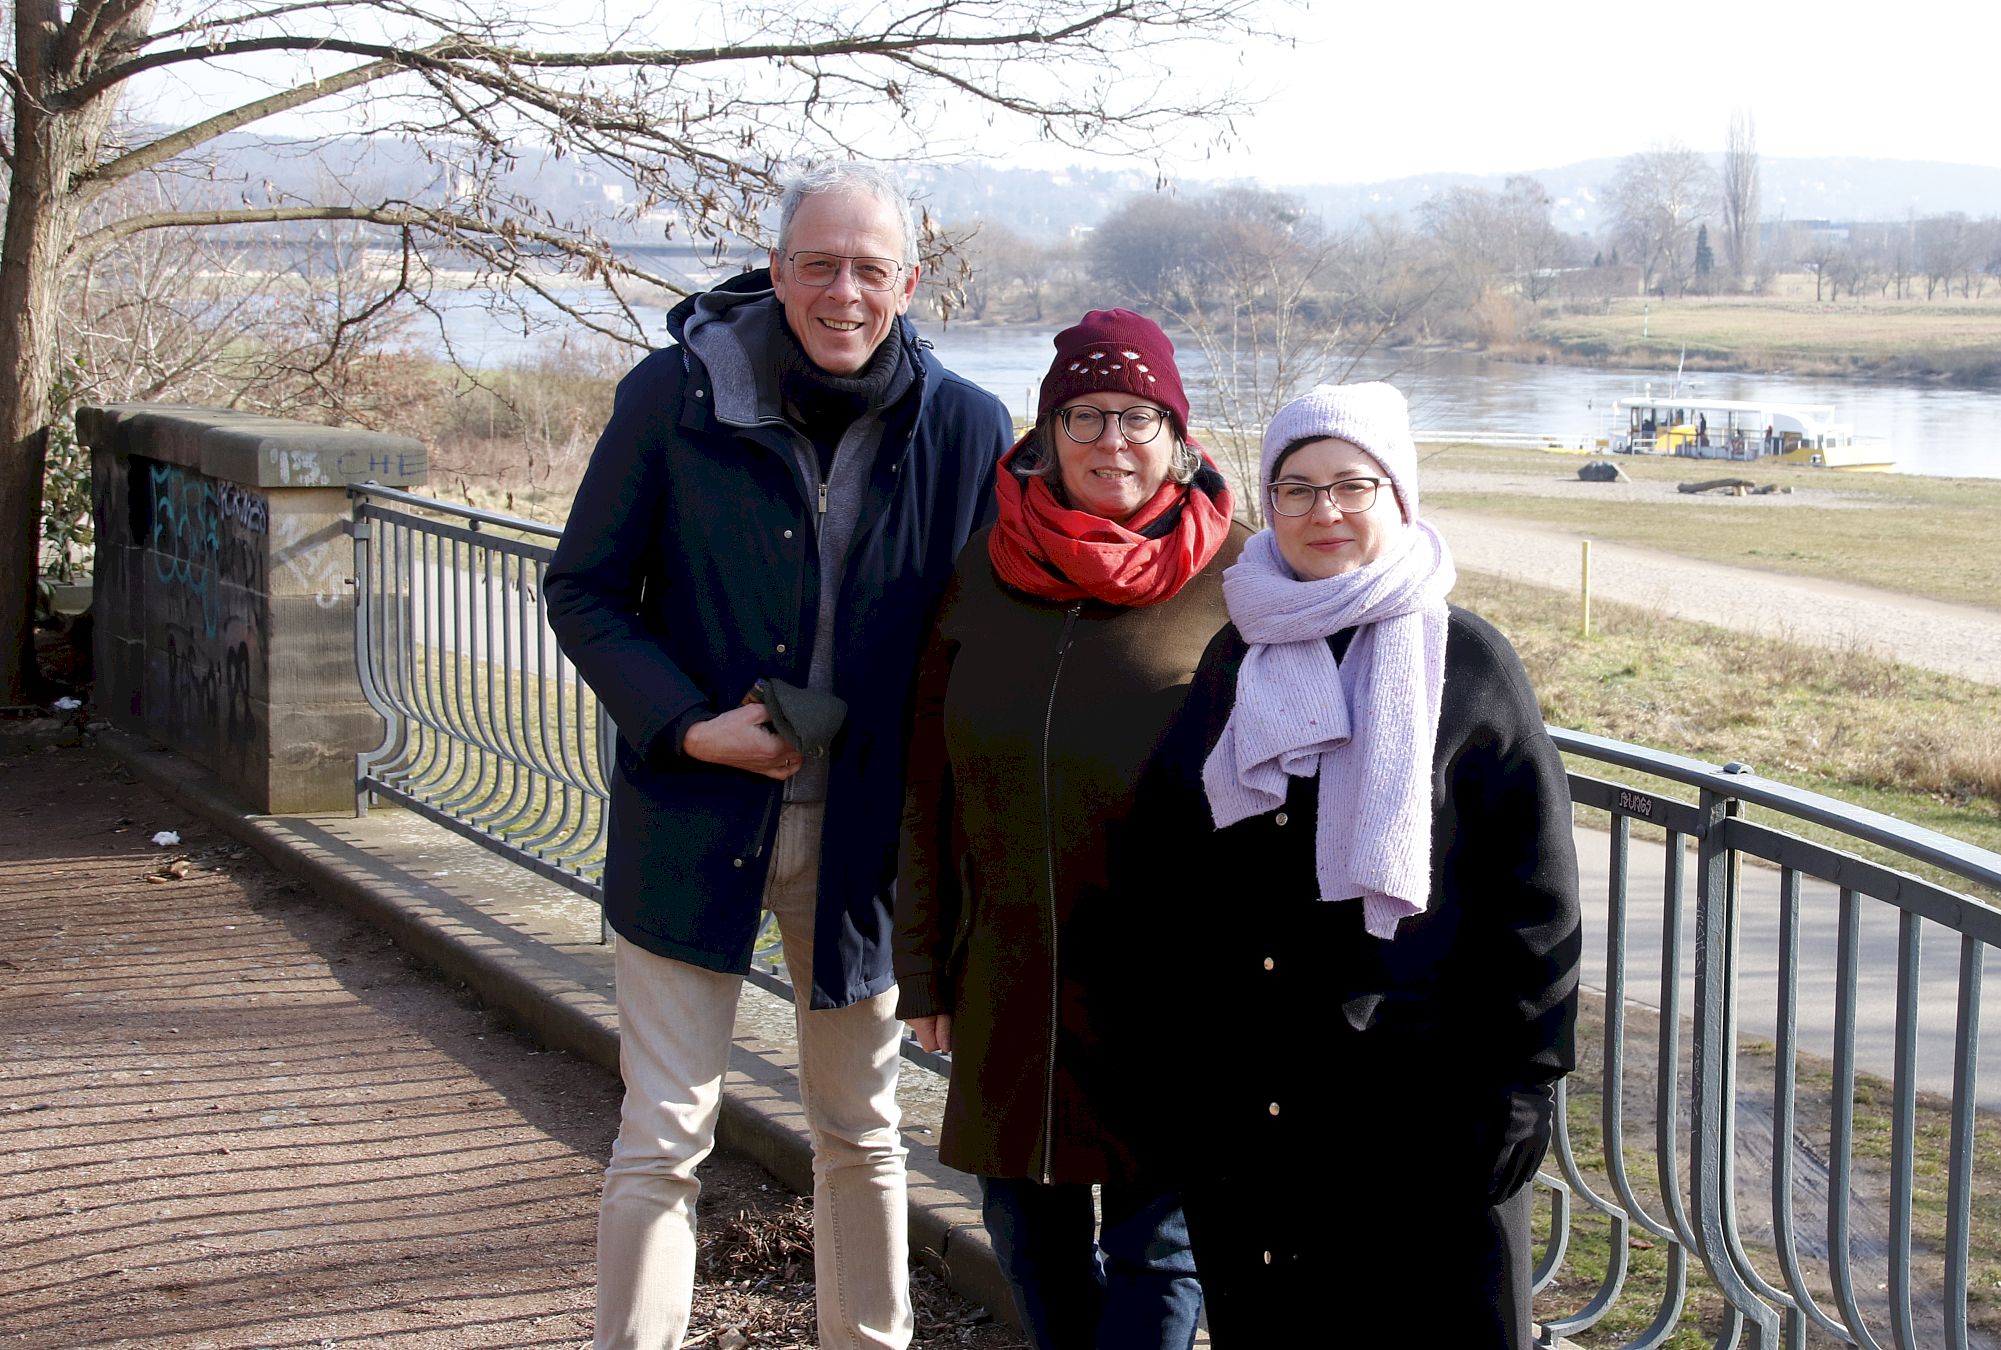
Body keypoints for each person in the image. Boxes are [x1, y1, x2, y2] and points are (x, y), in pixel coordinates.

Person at [544, 161, 1012, 1350]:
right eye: (818, 265)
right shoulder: (675, 395)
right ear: (776, 271)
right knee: (663, 1132)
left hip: (866, 837)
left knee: (861, 1128)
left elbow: (984, 651)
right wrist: (690, 725)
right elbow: (586, 591)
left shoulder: (964, 426)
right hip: (694, 811)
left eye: (869, 269)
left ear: (909, 282)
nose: (841, 292)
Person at [1122, 382, 1582, 1348]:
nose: (1324, 511)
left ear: (1396, 494)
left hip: (1428, 1120)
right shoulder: (1233, 657)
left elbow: (1536, 908)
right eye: (1296, 488)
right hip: (1260, 1125)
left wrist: (1520, 1094)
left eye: (1351, 485)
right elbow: (1170, 870)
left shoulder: (1470, 665)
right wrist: (1180, 1071)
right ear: (1270, 502)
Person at [892, 310, 1241, 1350]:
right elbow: (928, 787)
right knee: (1027, 1232)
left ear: (1178, 435)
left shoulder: (1246, 584)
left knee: (1158, 1249)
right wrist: (925, 971)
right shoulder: (983, 573)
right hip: (1010, 970)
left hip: (1172, 986)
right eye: (1083, 415)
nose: (1111, 441)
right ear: (1045, 435)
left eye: (1139, 416)